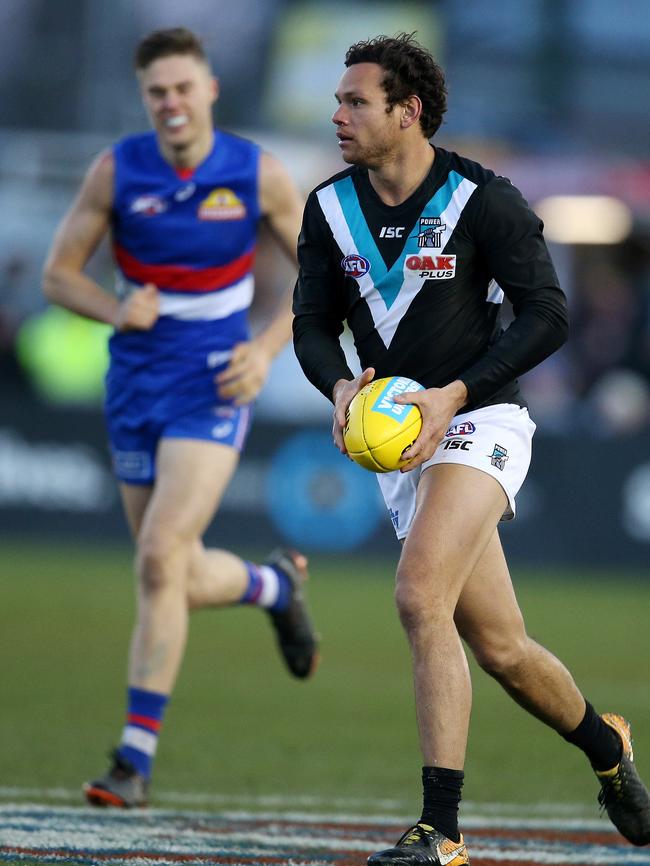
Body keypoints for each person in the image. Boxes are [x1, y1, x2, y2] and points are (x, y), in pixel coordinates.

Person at [292, 32, 650, 865]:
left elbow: (548, 314)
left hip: (479, 421)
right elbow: (311, 323)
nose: (337, 114)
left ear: (408, 112)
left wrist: (455, 393)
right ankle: (608, 748)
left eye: (356, 101)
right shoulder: (328, 209)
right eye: (339, 101)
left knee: (420, 598)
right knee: (502, 648)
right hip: (397, 438)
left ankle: (441, 833)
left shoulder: (485, 200)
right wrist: (341, 389)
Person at [42, 26, 319, 808]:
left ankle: (133, 761)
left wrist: (266, 350)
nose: (171, 103)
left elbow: (323, 283)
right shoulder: (116, 171)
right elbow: (59, 276)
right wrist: (113, 305)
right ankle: (273, 586)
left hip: (214, 384)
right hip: (133, 386)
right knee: (169, 570)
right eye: (157, 92)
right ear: (146, 99)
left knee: (162, 555)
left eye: (182, 88)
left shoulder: (257, 174)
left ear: (209, 92)